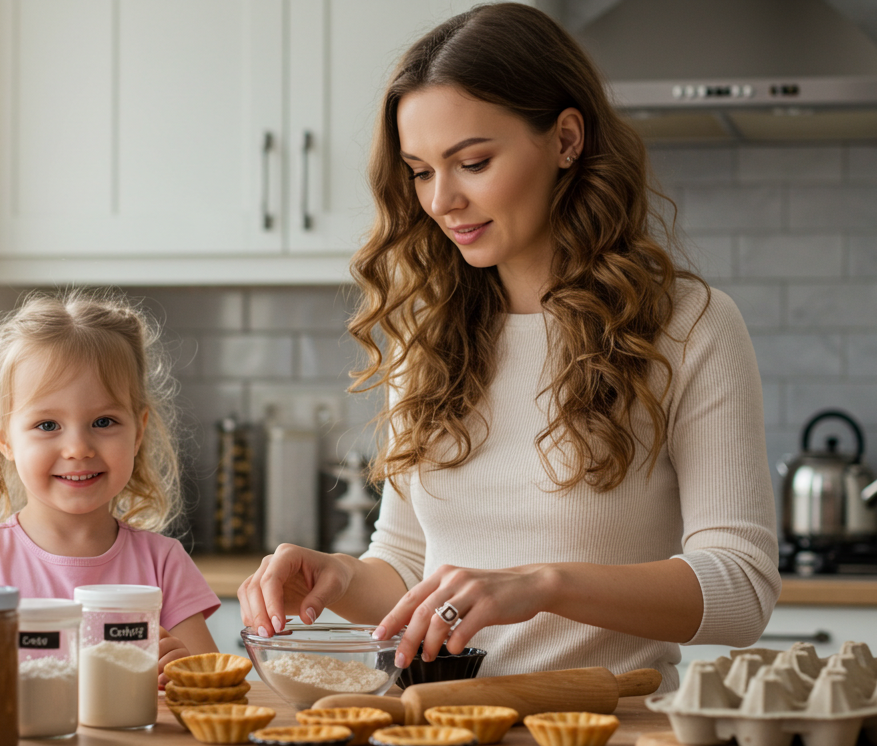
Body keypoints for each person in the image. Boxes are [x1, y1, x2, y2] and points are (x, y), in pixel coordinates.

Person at [238, 3, 779, 689]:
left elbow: (741, 590)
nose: (441, 201)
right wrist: (337, 575)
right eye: (421, 171)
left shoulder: (688, 326)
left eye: (472, 162)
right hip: (440, 734)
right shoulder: (428, 333)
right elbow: (408, 564)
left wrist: (542, 586)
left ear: (566, 140)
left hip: (601, 738)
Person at [0, 291, 219, 679]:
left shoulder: (163, 563)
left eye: (103, 422)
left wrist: (181, 667)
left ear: (138, 431)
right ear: (4, 438)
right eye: (47, 425)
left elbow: (210, 678)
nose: (78, 449)